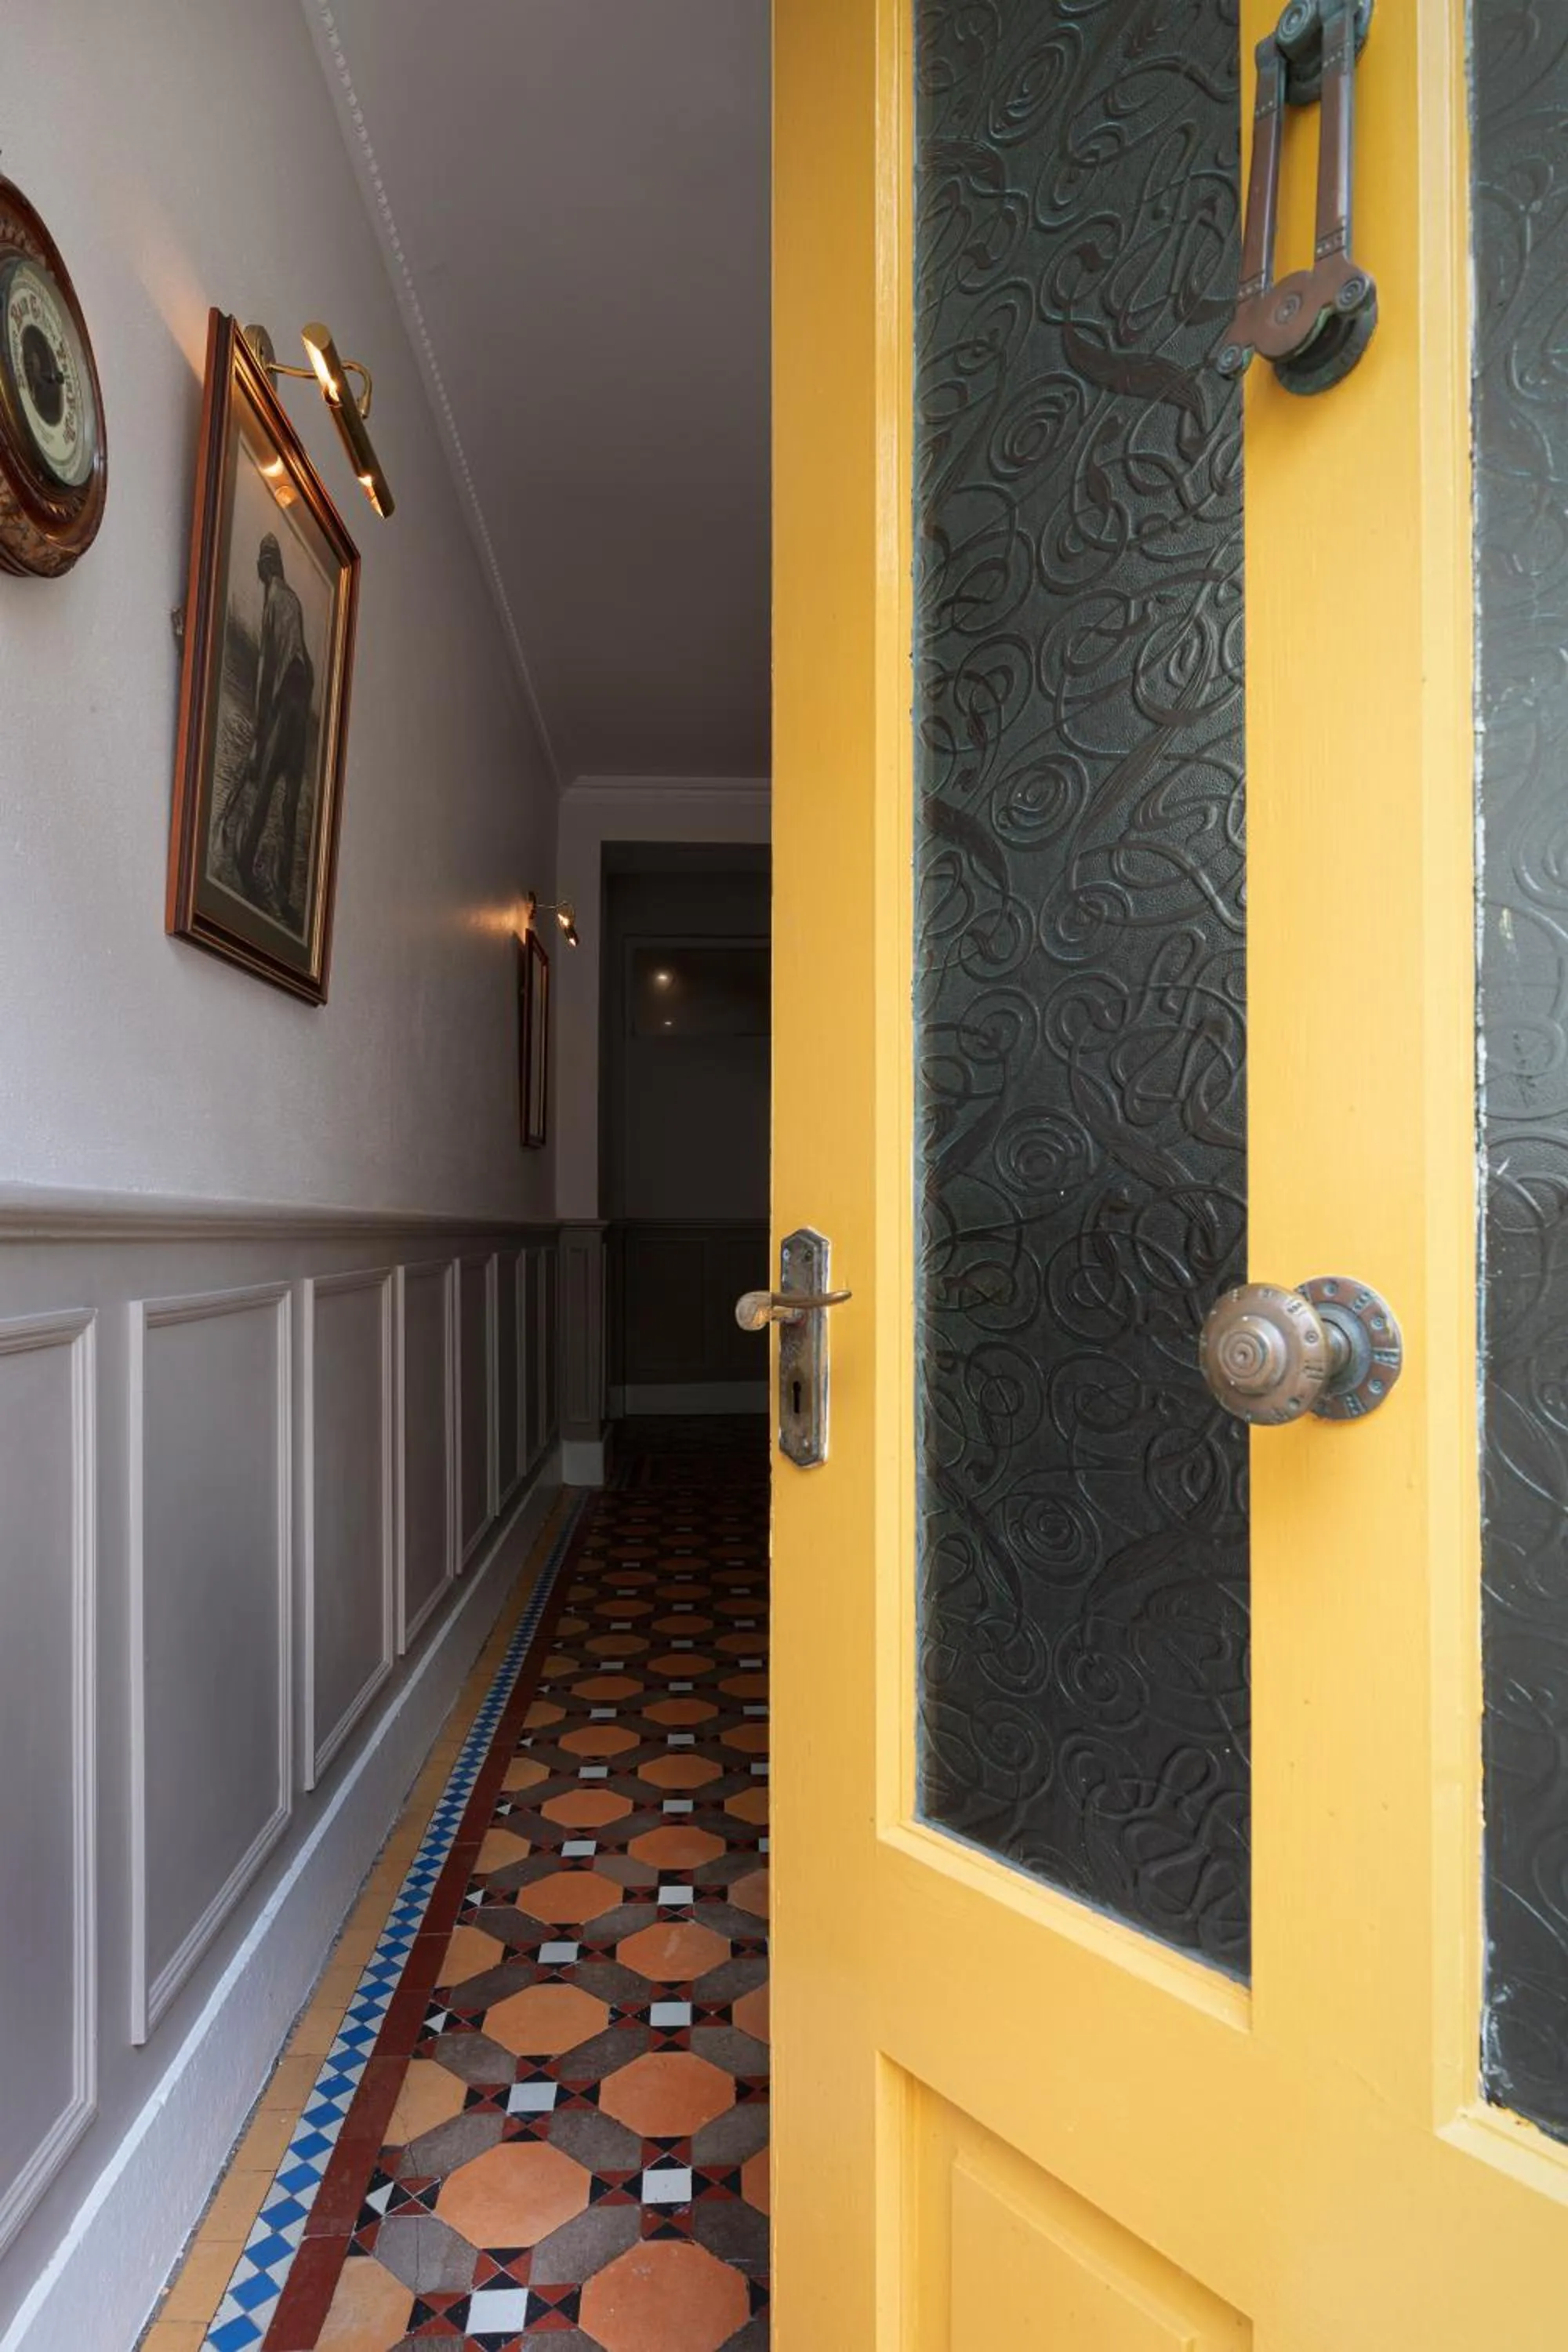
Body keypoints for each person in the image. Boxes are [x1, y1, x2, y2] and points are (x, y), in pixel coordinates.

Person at [236, 531, 314, 928]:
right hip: (300, 700)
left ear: (266, 565)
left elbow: (268, 668)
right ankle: (283, 891)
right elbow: (305, 663)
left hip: (286, 703)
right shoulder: (293, 601)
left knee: (267, 786)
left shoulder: (275, 600)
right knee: (290, 802)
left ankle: (245, 863)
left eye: (261, 562)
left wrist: (259, 734)